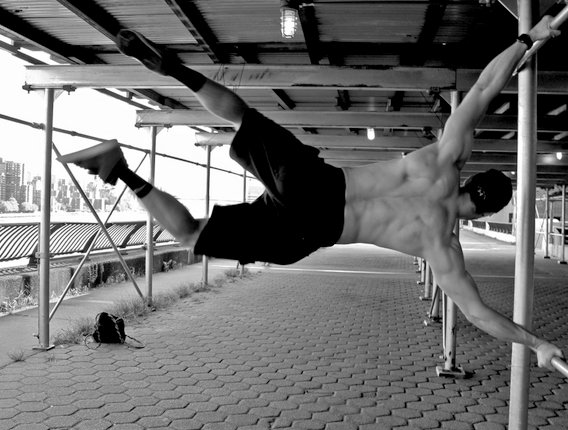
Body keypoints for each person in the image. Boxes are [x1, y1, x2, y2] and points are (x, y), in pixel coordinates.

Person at [61, 16, 564, 369]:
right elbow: (478, 314)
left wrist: (529, 39)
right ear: (486, 211)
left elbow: (481, 91)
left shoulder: (443, 159)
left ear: (473, 176)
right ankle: (122, 171)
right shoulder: (443, 247)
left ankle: (174, 69)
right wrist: (537, 342)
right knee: (193, 234)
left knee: (241, 117)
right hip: (311, 228)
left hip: (320, 182)